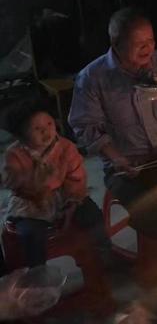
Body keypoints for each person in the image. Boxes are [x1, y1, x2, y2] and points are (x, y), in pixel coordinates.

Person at [68, 8, 157, 250]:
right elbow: (85, 127)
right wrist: (117, 158)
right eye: (138, 44)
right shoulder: (93, 77)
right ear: (116, 44)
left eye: (151, 41)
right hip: (128, 164)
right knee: (146, 208)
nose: (148, 48)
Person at [2, 101, 110, 267]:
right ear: (21, 134)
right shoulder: (15, 154)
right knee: (31, 233)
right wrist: (25, 177)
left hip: (64, 194)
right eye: (37, 129)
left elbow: (76, 176)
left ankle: (105, 252)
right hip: (31, 202)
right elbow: (13, 183)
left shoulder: (66, 147)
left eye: (49, 124)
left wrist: (72, 201)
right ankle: (37, 271)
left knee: (92, 214)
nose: (46, 131)